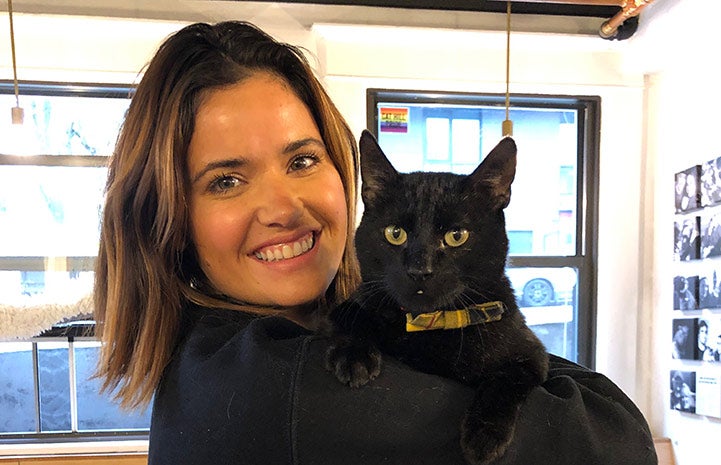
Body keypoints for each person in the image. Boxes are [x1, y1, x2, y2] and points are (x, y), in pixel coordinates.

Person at [94, 21, 658, 465]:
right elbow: (620, 443)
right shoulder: (286, 391)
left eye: (302, 160)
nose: (284, 209)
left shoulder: (206, 360)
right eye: (226, 180)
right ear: (165, 219)